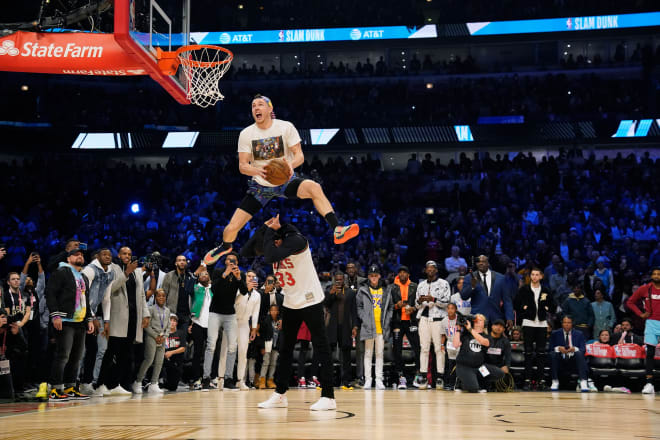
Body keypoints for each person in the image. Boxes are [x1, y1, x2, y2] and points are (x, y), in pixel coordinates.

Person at [203, 94, 359, 266]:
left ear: (270, 109)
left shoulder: (285, 127)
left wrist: (290, 165)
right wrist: (258, 170)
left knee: (314, 187)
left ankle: (337, 228)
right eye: (253, 105)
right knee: (231, 228)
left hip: (286, 180)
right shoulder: (246, 134)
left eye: (260, 104)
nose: (256, 108)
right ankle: (225, 246)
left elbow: (299, 155)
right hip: (260, 186)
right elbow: (242, 166)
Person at [244, 215, 336, 411]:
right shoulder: (275, 245)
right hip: (292, 301)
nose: (273, 244)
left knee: (320, 346)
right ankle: (280, 394)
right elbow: (246, 251)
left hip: (310, 299)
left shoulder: (298, 240)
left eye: (275, 240)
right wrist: (265, 227)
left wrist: (274, 230)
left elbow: (268, 256)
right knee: (284, 349)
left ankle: (329, 396)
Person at [95, 246, 150, 397]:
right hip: (117, 317)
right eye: (124, 253)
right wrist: (127, 273)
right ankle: (100, 384)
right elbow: (110, 289)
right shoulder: (113, 269)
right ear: (118, 255)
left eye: (129, 254)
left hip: (133, 318)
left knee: (125, 354)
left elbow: (142, 296)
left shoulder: (137, 272)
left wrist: (146, 314)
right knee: (111, 352)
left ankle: (115, 384)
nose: (127, 256)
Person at [45, 247, 94, 401]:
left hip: (80, 321)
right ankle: (55, 389)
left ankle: (71, 387)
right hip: (65, 320)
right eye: (76, 254)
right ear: (68, 258)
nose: (80, 256)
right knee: (63, 356)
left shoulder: (83, 277)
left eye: (81, 254)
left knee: (76, 357)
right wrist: (55, 315)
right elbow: (50, 293)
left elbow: (86, 300)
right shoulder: (61, 272)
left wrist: (89, 319)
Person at [203, 253, 247, 391]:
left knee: (233, 347)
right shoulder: (217, 271)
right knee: (211, 345)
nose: (232, 262)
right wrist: (225, 274)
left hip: (230, 314)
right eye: (229, 260)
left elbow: (245, 292)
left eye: (234, 261)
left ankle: (228, 379)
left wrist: (239, 278)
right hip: (215, 312)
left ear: (237, 262)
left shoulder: (240, 274)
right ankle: (206, 379)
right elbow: (213, 290)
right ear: (226, 261)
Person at [79, 248, 114, 395]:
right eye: (104, 255)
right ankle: (73, 382)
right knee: (81, 351)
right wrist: (91, 316)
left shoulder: (110, 272)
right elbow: (82, 294)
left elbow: (106, 298)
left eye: (109, 255)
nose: (107, 257)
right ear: (97, 256)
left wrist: (107, 320)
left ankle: (88, 382)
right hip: (80, 313)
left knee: (95, 350)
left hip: (93, 314)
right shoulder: (89, 270)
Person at [514, 267, 555, 390]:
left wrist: (547, 308)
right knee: (528, 352)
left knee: (541, 352)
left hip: (542, 323)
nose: (535, 277)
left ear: (541, 276)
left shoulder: (546, 290)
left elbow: (553, 305)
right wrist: (524, 309)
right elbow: (516, 304)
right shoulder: (524, 289)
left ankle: (541, 380)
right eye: (533, 274)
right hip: (528, 323)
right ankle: (527, 380)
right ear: (530, 276)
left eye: (537, 274)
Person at [218, 269, 260, 390]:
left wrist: (253, 328)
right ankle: (221, 378)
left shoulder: (257, 295)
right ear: (245, 278)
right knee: (225, 350)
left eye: (253, 276)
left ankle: (240, 380)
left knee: (243, 352)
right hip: (232, 321)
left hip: (244, 324)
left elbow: (256, 312)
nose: (251, 278)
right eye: (249, 276)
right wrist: (245, 289)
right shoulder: (237, 289)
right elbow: (233, 302)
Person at [414, 260, 451, 389]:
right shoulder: (421, 284)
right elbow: (416, 305)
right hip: (423, 319)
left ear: (436, 270)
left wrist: (433, 299)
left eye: (432, 268)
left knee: (439, 349)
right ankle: (423, 377)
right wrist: (419, 301)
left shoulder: (444, 283)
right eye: (427, 268)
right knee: (424, 348)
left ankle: (440, 377)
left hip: (438, 319)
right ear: (425, 270)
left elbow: (447, 303)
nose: (430, 270)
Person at [356, 265, 392, 390]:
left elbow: (390, 307)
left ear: (379, 276)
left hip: (381, 327)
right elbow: (359, 307)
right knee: (368, 353)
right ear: (368, 277)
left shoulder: (385, 290)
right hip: (368, 326)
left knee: (379, 354)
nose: (374, 277)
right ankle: (368, 379)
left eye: (376, 275)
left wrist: (387, 321)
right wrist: (364, 318)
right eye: (371, 276)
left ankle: (379, 380)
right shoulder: (363, 290)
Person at [626, 267, 660, 394]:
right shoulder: (645, 288)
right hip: (651, 323)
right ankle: (649, 383)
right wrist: (640, 314)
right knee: (650, 353)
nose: (656, 276)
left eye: (659, 274)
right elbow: (630, 302)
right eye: (654, 274)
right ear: (651, 276)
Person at [324, 272, 358, 389]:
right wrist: (331, 294)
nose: (339, 282)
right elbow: (326, 305)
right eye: (337, 280)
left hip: (345, 327)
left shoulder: (350, 293)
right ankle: (329, 380)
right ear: (334, 280)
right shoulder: (330, 291)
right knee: (329, 355)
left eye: (341, 280)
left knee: (346, 355)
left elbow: (354, 311)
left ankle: (346, 381)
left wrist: (355, 326)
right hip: (332, 327)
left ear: (344, 280)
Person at [453, 314, 503, 392]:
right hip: (464, 366)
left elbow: (484, 342)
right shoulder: (466, 334)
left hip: (478, 367)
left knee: (499, 373)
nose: (477, 322)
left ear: (484, 323)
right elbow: (455, 345)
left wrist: (470, 329)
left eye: (480, 320)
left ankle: (479, 381)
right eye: (475, 320)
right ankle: (460, 381)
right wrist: (458, 329)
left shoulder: (487, 336)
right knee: (473, 389)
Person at [461, 255, 514, 328]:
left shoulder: (501, 278)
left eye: (483, 261)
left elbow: (507, 300)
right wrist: (472, 286)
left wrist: (509, 317)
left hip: (496, 318)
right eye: (478, 262)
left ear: (488, 263)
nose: (481, 263)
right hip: (477, 319)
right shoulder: (469, 277)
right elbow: (464, 296)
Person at [133, 289, 170, 394]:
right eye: (159, 296)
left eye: (163, 296)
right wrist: (155, 336)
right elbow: (146, 325)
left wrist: (165, 336)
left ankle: (154, 383)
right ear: (155, 298)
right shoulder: (151, 309)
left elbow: (168, 326)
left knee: (159, 362)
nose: (161, 298)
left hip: (162, 338)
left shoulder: (167, 311)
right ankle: (138, 381)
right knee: (149, 359)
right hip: (152, 337)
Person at [390, 266, 419, 389]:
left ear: (408, 274)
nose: (402, 274)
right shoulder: (392, 287)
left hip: (411, 321)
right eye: (400, 272)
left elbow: (419, 303)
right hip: (397, 321)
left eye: (404, 272)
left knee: (417, 347)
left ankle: (418, 375)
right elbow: (388, 305)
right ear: (398, 274)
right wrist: (396, 306)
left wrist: (414, 308)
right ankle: (401, 377)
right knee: (397, 350)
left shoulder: (415, 286)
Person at [548, 316, 589, 392]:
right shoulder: (555, 333)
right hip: (560, 359)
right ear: (562, 323)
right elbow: (550, 349)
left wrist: (574, 349)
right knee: (553, 354)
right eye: (565, 322)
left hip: (574, 360)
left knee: (579, 353)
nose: (566, 324)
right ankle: (555, 381)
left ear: (572, 324)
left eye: (569, 322)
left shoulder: (579, 334)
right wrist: (558, 348)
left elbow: (583, 349)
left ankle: (583, 381)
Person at [189, 269, 212, 390]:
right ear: (198, 278)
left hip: (212, 324)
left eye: (206, 274)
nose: (204, 275)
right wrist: (195, 274)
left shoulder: (212, 288)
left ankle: (208, 378)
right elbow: (187, 289)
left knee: (211, 352)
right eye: (201, 274)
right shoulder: (195, 287)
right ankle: (196, 379)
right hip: (198, 323)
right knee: (197, 352)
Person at [163, 255, 197, 333]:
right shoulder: (169, 276)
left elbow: (193, 294)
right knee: (170, 340)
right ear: (176, 263)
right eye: (179, 260)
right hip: (172, 312)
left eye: (184, 260)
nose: (182, 262)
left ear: (186, 263)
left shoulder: (190, 276)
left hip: (185, 314)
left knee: (183, 340)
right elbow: (164, 295)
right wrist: (164, 312)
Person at [344, 261, 366, 386]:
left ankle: (360, 376)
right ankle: (346, 378)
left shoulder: (363, 281)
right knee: (345, 349)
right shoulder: (342, 282)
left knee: (360, 350)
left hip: (360, 319)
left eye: (353, 267)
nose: (351, 269)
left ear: (356, 269)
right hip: (346, 319)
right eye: (349, 268)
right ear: (346, 270)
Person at [162, 314, 186, 391]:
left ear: (176, 323)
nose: (172, 322)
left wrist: (171, 352)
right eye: (170, 320)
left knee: (173, 387)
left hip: (176, 362)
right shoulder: (163, 333)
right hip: (164, 360)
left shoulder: (181, 333)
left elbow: (183, 348)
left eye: (174, 321)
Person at [258, 304, 281, 389]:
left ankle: (270, 380)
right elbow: (262, 335)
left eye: (275, 310)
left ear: (278, 312)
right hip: (267, 345)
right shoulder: (266, 320)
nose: (274, 312)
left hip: (276, 345)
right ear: (269, 311)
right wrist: (262, 347)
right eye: (272, 310)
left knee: (273, 363)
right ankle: (262, 380)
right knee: (266, 362)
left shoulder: (280, 321)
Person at [439, 302, 459, 390]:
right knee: (450, 365)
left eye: (452, 308)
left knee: (458, 364)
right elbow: (443, 335)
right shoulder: (444, 321)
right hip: (450, 345)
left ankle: (458, 383)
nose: (450, 310)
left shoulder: (459, 319)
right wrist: (442, 344)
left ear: (456, 310)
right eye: (448, 308)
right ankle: (450, 384)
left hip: (459, 345)